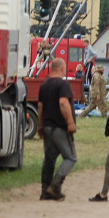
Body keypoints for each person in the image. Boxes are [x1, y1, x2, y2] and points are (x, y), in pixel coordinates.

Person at [38, 57, 78, 201]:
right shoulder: (63, 84)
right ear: (62, 69)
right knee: (71, 157)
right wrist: (70, 122)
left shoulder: (44, 86)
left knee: (49, 158)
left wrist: (40, 125)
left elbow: (40, 107)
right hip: (60, 127)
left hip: (47, 126)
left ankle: (44, 191)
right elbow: (63, 103)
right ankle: (55, 187)